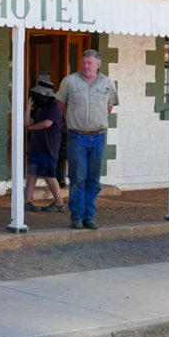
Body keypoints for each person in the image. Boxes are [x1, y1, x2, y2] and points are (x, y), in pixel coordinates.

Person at [55, 49, 118, 230]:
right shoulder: (70, 81)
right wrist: (74, 119)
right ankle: (77, 216)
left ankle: (89, 216)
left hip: (98, 137)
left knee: (94, 179)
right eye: (83, 62)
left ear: (98, 64)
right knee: (77, 178)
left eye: (89, 63)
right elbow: (61, 103)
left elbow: (109, 106)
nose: (85, 66)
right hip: (77, 136)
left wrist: (94, 121)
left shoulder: (108, 83)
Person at [23, 81, 66, 212]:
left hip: (49, 146)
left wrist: (32, 128)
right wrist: (29, 108)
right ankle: (27, 201)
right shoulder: (38, 107)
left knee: (49, 174)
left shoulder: (54, 107)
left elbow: (47, 123)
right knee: (32, 173)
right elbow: (26, 122)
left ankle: (59, 202)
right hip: (36, 145)